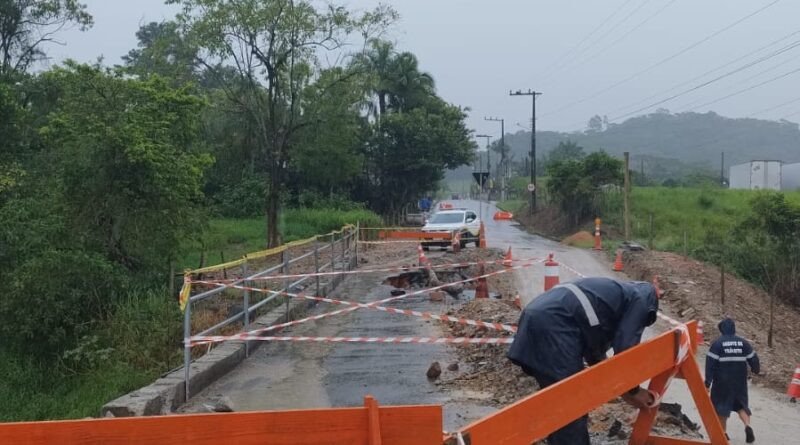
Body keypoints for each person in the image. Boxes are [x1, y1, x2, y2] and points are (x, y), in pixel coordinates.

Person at [507, 277, 660, 445]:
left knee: (558, 404)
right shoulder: (642, 299)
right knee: (571, 404)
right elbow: (626, 348)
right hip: (554, 325)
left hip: (537, 318)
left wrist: (618, 386)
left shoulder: (615, 295)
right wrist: (633, 391)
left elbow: (595, 350)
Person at [705, 318, 760, 443]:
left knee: (721, 407)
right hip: (739, 381)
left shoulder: (717, 344)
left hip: (722, 381)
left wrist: (708, 381)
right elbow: (753, 358)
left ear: (722, 329)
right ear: (733, 329)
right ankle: (747, 426)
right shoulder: (743, 343)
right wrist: (756, 369)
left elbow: (710, 364)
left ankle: (723, 433)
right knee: (741, 405)